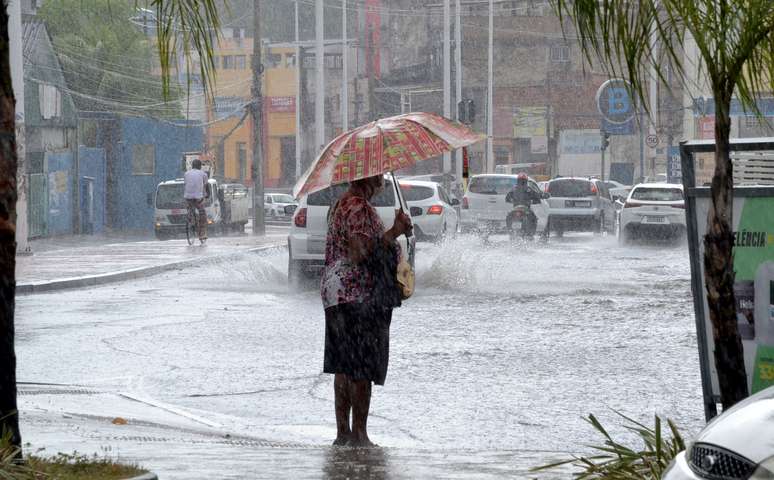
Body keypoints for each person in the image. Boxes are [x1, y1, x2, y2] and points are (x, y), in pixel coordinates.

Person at [320, 175, 413, 448]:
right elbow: (360, 252)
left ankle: (343, 434)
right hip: (356, 294)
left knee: (344, 365)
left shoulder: (341, 204)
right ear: (369, 179)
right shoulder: (358, 207)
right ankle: (359, 436)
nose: (383, 180)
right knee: (361, 367)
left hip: (337, 293)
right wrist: (394, 232)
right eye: (380, 176)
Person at [184, 159, 209, 244]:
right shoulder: (203, 174)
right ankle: (202, 234)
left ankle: (190, 217)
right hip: (198, 197)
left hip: (188, 197)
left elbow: (186, 184)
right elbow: (206, 186)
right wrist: (207, 194)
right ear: (200, 166)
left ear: (192, 166)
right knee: (202, 214)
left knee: (190, 206)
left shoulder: (186, 174)